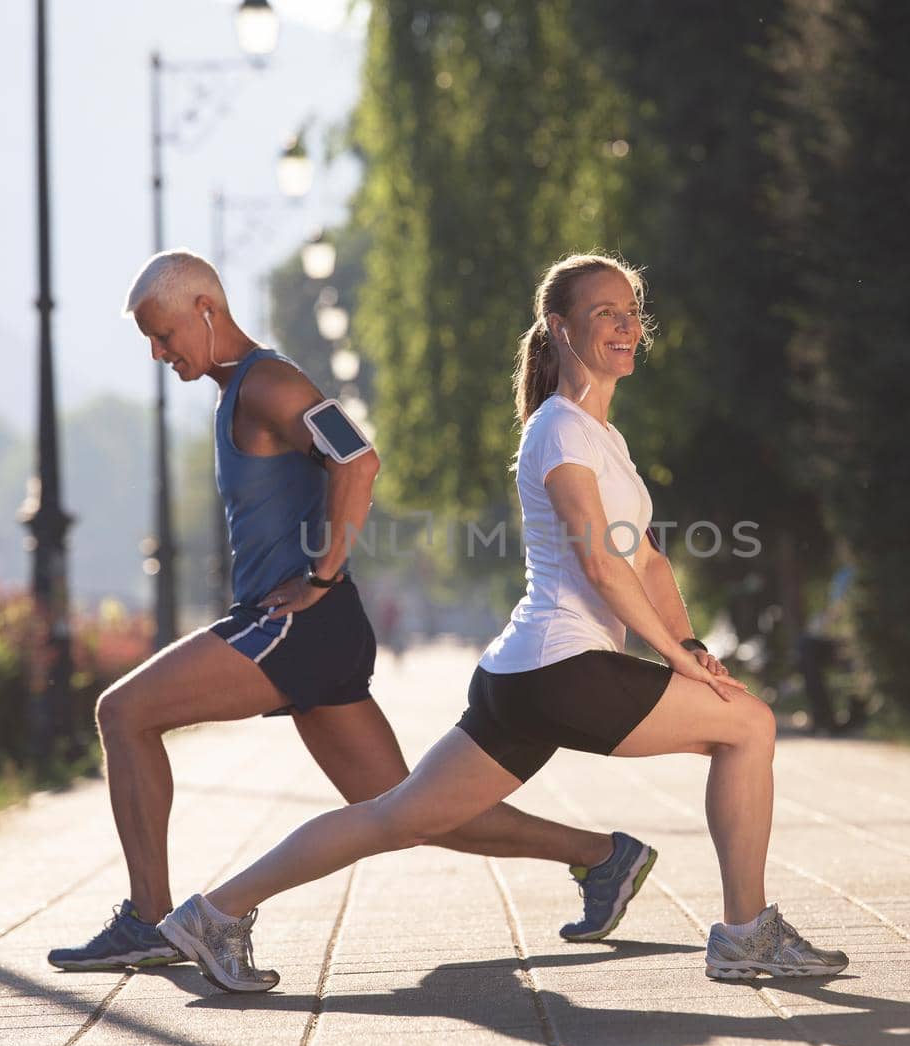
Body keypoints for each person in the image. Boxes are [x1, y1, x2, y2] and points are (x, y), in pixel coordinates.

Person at [157, 253, 849, 992]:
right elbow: (599, 564)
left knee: (398, 816)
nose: (624, 325)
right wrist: (673, 663)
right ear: (561, 328)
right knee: (750, 726)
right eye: (603, 312)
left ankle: (213, 913)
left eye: (629, 312)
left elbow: (645, 562)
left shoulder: (600, 437)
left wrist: (689, 647)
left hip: (523, 677)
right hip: (561, 668)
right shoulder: (558, 431)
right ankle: (745, 934)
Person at [48, 251, 655, 972]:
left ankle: (150, 919)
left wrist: (321, 574)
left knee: (123, 711)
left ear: (207, 311)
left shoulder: (267, 383)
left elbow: (357, 457)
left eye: (165, 333)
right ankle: (603, 856)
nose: (158, 352)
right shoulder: (239, 390)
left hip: (300, 624)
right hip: (315, 631)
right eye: (148, 340)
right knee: (405, 810)